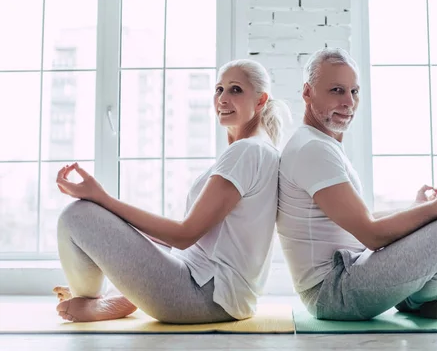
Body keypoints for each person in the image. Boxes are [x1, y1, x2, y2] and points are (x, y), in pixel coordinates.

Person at [52, 59, 290, 324]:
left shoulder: (246, 151)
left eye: (235, 90)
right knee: (103, 218)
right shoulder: (259, 149)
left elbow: (184, 235)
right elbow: (194, 241)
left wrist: (102, 199)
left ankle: (91, 300)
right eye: (219, 89)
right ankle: (119, 298)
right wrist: (115, 220)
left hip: (204, 295)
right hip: (210, 287)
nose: (222, 98)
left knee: (77, 215)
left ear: (260, 101)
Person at [276, 47, 437, 322]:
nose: (349, 102)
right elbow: (372, 235)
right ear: (307, 92)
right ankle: (427, 302)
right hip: (332, 292)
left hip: (348, 274)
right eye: (336, 90)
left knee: (431, 222)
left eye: (354, 91)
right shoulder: (313, 149)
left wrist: (423, 208)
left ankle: (428, 303)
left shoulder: (321, 145)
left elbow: (364, 220)